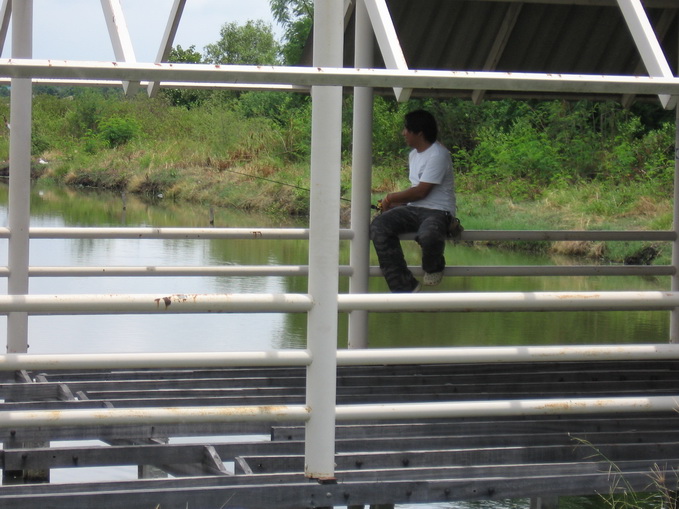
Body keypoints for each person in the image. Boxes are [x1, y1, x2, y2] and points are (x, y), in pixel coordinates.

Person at [370, 110, 456, 293]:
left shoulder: (439, 155)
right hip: (414, 209)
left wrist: (390, 198)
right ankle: (404, 286)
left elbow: (421, 192)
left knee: (429, 235)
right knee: (379, 226)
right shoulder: (413, 155)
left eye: (406, 129)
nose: (403, 133)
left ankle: (434, 267)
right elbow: (415, 193)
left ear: (419, 132)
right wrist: (397, 205)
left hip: (438, 212)